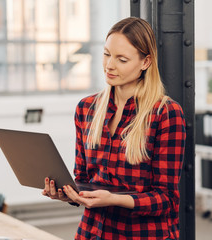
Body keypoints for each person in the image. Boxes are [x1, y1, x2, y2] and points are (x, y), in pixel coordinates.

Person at [42, 17, 186, 240]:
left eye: (122, 59)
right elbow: (83, 180)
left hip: (144, 234)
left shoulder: (165, 113)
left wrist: (115, 199)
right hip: (93, 232)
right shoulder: (86, 109)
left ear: (145, 62)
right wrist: (68, 194)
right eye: (107, 54)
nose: (109, 65)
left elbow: (166, 199)